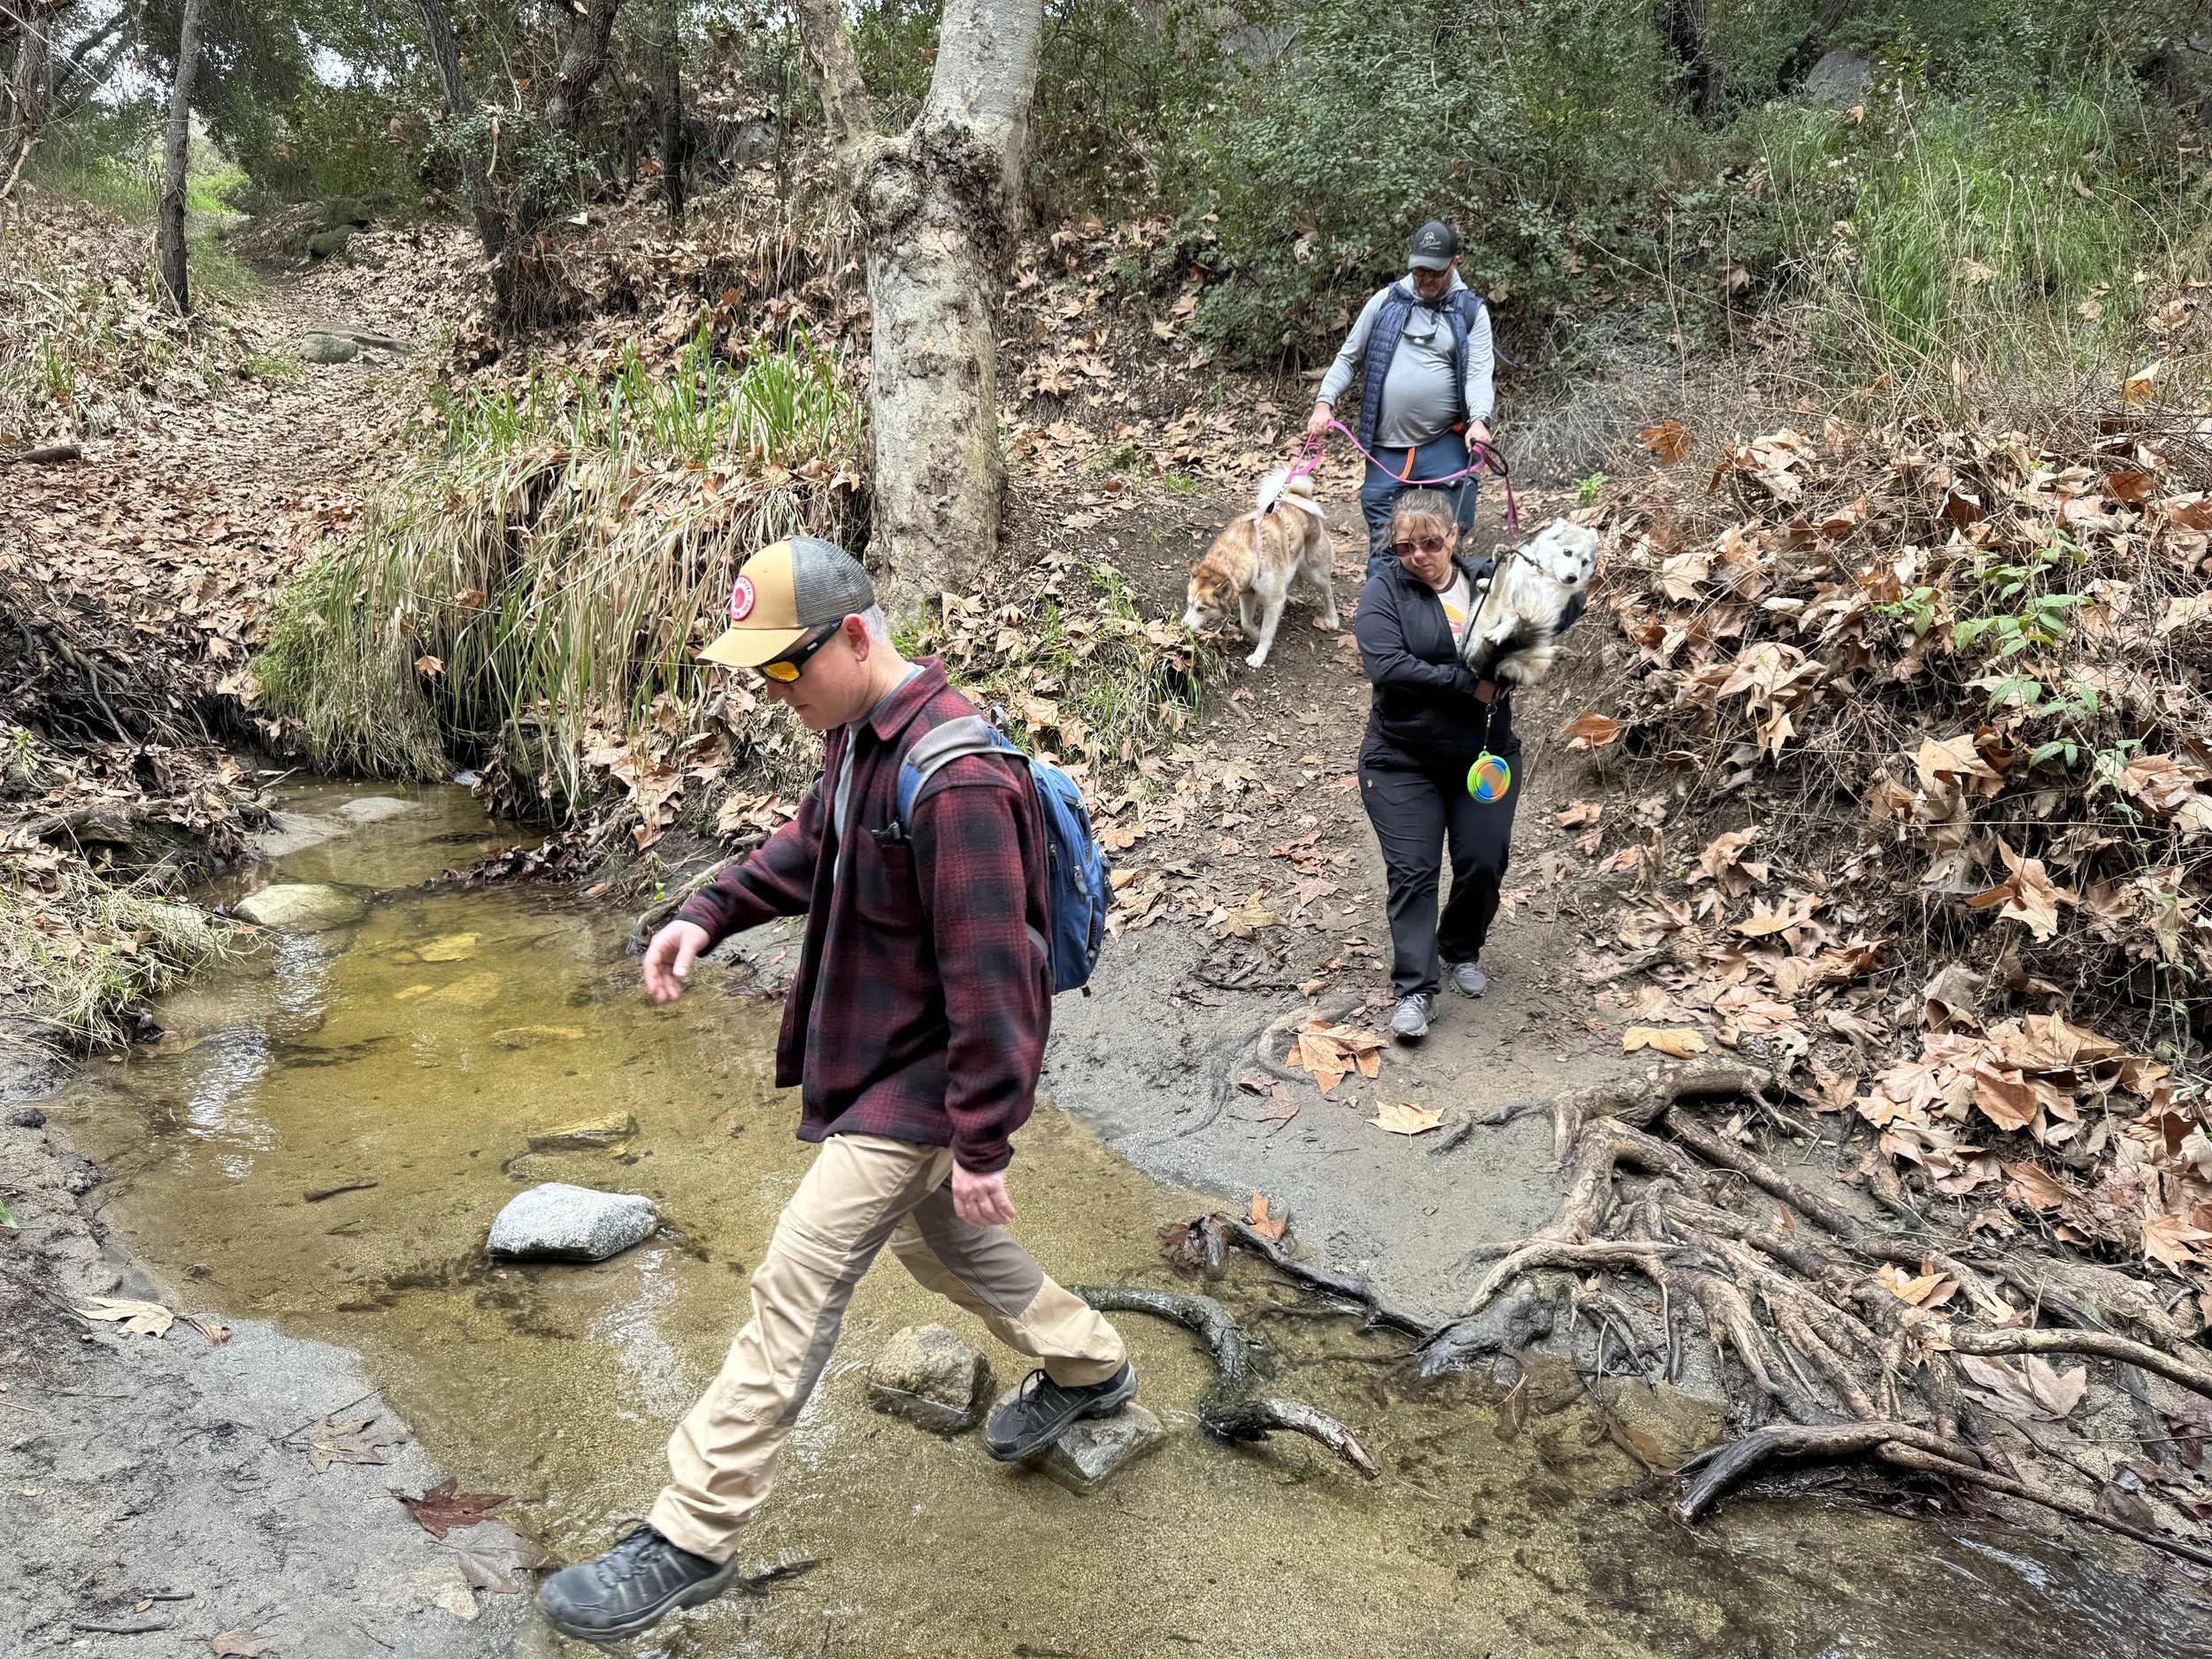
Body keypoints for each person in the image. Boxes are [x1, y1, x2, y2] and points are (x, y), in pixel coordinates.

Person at [537, 537, 1134, 1643]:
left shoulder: (956, 779)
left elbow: (997, 980)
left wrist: (986, 1139)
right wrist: (702, 915)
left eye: (783, 670)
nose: (775, 696)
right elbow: (807, 851)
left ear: (855, 636)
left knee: (795, 1282)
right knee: (934, 1245)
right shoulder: (859, 737)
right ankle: (1091, 1364)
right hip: (883, 1072)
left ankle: (689, 1537)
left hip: (921, 1082)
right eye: (759, 675)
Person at [1352, 491, 1578, 1042]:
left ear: (1454, 537)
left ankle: (1459, 949)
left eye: (1431, 543)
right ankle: (1415, 989)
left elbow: (1562, 611)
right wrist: (1467, 685)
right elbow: (1388, 664)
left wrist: (1562, 577)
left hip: (1486, 753)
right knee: (1414, 870)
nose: (1418, 556)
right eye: (1406, 546)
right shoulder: (1385, 589)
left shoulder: (1493, 579)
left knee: (1482, 861)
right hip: (1401, 758)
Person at [1306, 220, 1496, 576]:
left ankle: (1443, 617)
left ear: (1455, 263)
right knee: (1386, 540)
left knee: (1444, 536)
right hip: (1386, 447)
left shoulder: (1470, 312)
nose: (1424, 280)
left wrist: (1480, 421)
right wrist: (1324, 402)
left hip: (1446, 441)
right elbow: (1349, 358)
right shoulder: (1386, 300)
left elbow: (1479, 374)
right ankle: (1383, 622)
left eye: (1433, 273)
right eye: (1418, 271)